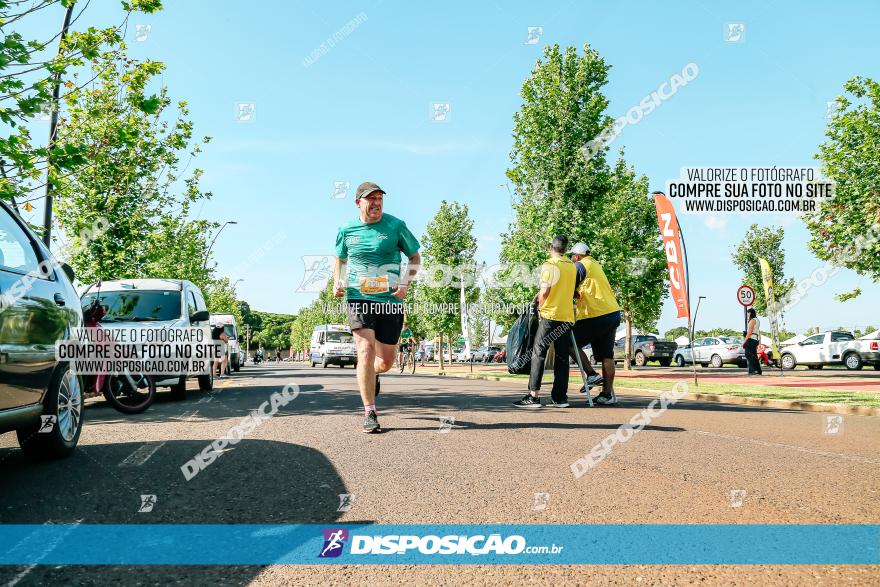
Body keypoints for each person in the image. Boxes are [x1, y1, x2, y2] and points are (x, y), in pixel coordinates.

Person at [334, 181, 421, 433]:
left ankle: (374, 375)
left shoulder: (396, 226)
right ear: (358, 202)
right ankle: (369, 411)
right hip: (358, 297)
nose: (376, 203)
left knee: (385, 362)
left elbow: (414, 256)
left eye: (379, 198)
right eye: (370, 199)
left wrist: (405, 284)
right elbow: (339, 258)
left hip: (391, 300)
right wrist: (337, 280)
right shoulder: (346, 229)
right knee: (364, 350)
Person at [514, 235, 577, 409]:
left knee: (538, 353)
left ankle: (533, 396)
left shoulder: (549, 265)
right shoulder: (572, 267)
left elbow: (544, 292)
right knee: (562, 357)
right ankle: (560, 398)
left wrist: (540, 308)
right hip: (566, 317)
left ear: (551, 247)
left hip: (550, 315)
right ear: (566, 249)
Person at [568, 243, 622, 405]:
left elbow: (567, 287)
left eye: (572, 256)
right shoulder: (595, 265)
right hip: (612, 313)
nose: (571, 259)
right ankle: (607, 395)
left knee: (568, 342)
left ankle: (591, 374)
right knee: (607, 355)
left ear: (577, 256)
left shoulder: (579, 266)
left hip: (596, 314)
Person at [743, 308, 762, 375]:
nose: (747, 315)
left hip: (751, 339)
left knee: (749, 355)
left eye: (748, 313)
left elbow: (750, 331)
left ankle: (753, 370)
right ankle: (757, 370)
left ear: (750, 313)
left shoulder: (753, 320)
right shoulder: (757, 320)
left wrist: (745, 340)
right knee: (753, 355)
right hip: (755, 339)